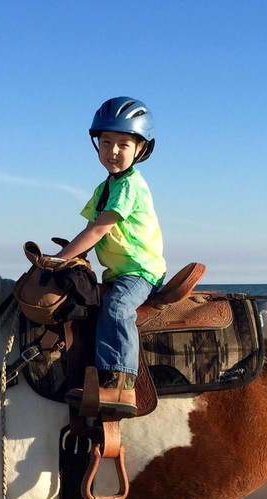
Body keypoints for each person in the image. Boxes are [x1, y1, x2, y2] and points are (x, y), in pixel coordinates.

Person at [57, 96, 166, 416]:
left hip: (141, 271)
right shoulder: (104, 187)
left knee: (117, 306)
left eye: (123, 144)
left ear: (141, 149)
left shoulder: (130, 185)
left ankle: (122, 383)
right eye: (106, 142)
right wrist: (69, 257)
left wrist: (60, 259)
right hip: (118, 272)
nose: (113, 151)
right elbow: (88, 229)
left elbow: (99, 229)